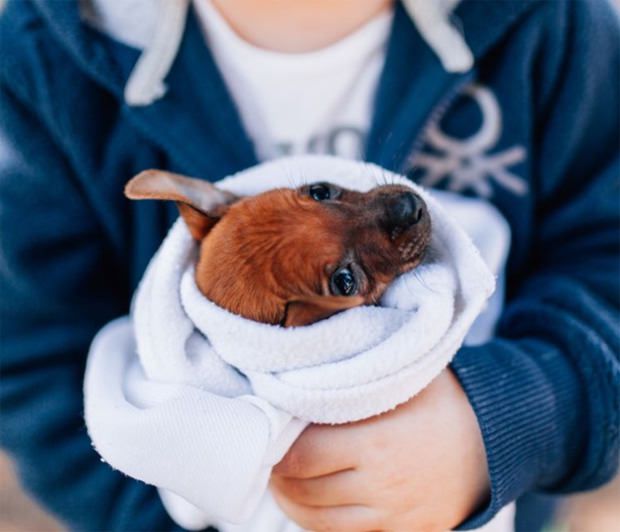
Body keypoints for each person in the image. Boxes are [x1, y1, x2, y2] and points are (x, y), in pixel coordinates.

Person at [0, 0, 618, 530]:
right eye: (341, 279)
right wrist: (206, 505)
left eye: (321, 190)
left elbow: (605, 260)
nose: (398, 210)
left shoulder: (551, 24)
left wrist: (508, 421)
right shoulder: (44, 63)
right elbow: (33, 362)